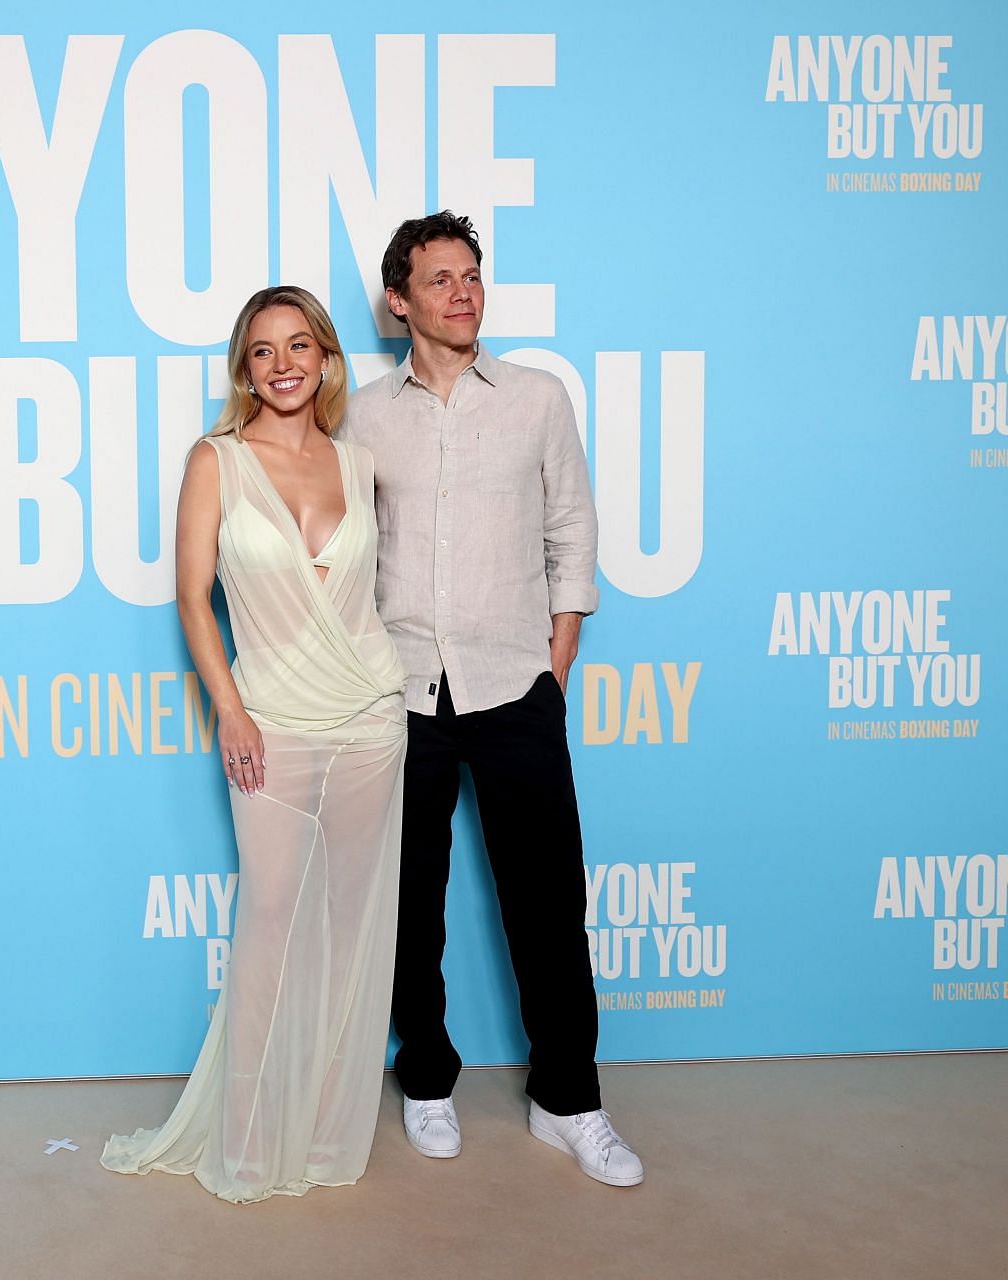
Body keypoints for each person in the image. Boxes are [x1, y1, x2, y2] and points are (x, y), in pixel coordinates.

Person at [340, 211, 643, 1186]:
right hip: (401, 691)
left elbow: (573, 534)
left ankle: (569, 1100)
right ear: (400, 300)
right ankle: (424, 1077)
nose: (464, 292)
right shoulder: (364, 417)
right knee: (406, 905)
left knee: (549, 906)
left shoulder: (538, 398)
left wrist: (553, 665)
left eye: (473, 275)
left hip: (515, 685)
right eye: (440, 279)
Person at [101, 286, 408, 1204]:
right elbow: (195, 598)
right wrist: (231, 711)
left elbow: (372, 598)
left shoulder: (359, 467)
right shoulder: (217, 463)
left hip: (370, 717)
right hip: (270, 714)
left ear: (325, 360)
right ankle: (243, 1140)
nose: (282, 365)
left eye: (299, 346)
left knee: (352, 930)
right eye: (263, 351)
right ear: (244, 369)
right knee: (272, 920)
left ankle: (320, 1133)